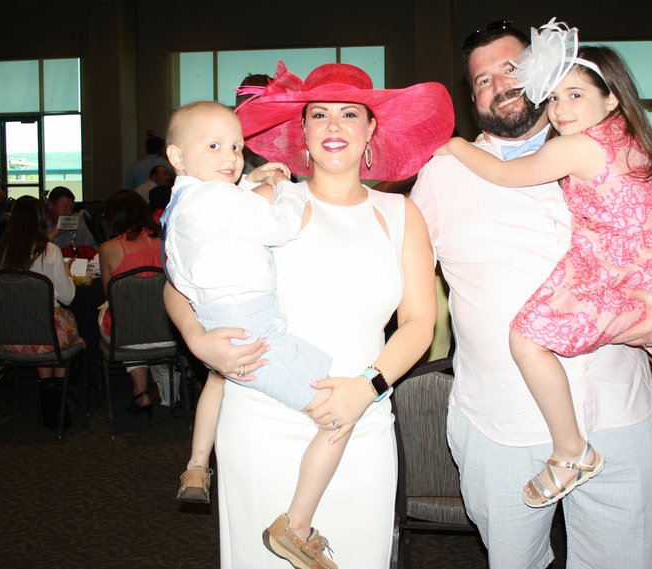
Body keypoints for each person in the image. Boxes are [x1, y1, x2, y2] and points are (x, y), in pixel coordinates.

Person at [410, 20, 652, 568]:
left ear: (543, 71)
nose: (499, 85)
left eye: (510, 68)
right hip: (501, 423)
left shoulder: (624, 155)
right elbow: (385, 251)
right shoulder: (444, 174)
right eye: (482, 80)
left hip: (618, 414)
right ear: (472, 98)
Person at [163, 61, 452, 569]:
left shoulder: (400, 214)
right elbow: (181, 281)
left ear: (371, 129)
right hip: (259, 420)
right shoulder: (265, 199)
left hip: (358, 420)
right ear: (303, 130)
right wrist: (195, 338)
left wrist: (367, 387)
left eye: (349, 114)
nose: (334, 127)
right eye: (319, 115)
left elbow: (419, 325)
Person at [161, 101, 334, 554]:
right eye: (215, 145)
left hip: (228, 320)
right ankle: (294, 528)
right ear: (177, 157)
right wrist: (291, 189)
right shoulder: (214, 199)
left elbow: (227, 203)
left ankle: (198, 464)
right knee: (337, 411)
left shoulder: (186, 200)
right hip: (248, 327)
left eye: (237, 147)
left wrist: (254, 180)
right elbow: (280, 226)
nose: (232, 157)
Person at [97, 190, 167, 415]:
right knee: (133, 316)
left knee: (119, 315)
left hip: (128, 335)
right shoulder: (165, 241)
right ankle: (144, 391)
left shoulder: (109, 248)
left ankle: (140, 391)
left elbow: (110, 294)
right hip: (168, 332)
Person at [0, 196, 84, 373]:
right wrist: (66, 273)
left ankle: (46, 387)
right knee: (59, 327)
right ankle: (55, 391)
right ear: (40, 219)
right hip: (47, 331)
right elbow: (68, 298)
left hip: (9, 331)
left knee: (43, 328)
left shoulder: (2, 250)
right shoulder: (49, 251)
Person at [45, 186, 98, 251]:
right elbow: (34, 252)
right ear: (50, 205)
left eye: (71, 207)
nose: (69, 212)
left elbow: (92, 247)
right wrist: (52, 234)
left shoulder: (78, 221)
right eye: (65, 207)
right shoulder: (39, 223)